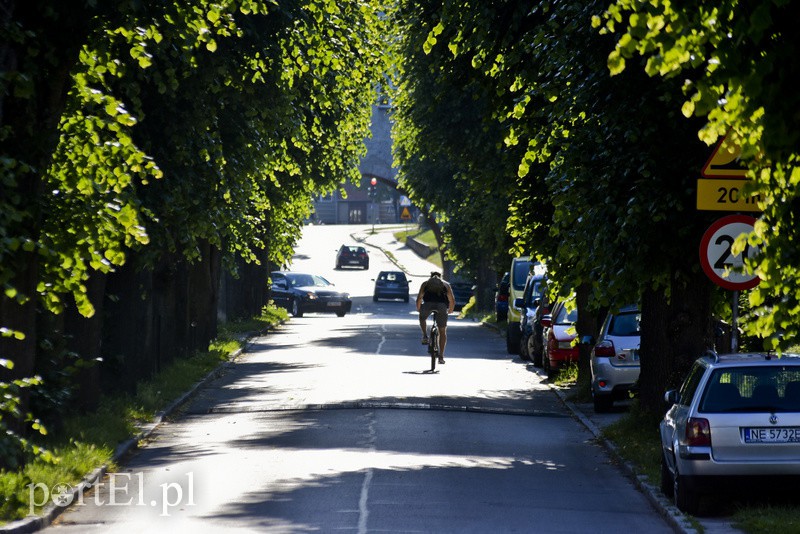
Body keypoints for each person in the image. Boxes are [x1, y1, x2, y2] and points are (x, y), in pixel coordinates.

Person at [416, 271, 456, 364]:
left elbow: (419, 298)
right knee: (442, 331)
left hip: (428, 305)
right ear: (440, 277)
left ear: (430, 277)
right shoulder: (445, 285)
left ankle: (425, 336)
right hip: (442, 307)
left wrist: (419, 309)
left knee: (422, 318)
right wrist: (450, 310)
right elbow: (451, 299)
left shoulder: (425, 284)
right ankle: (441, 356)